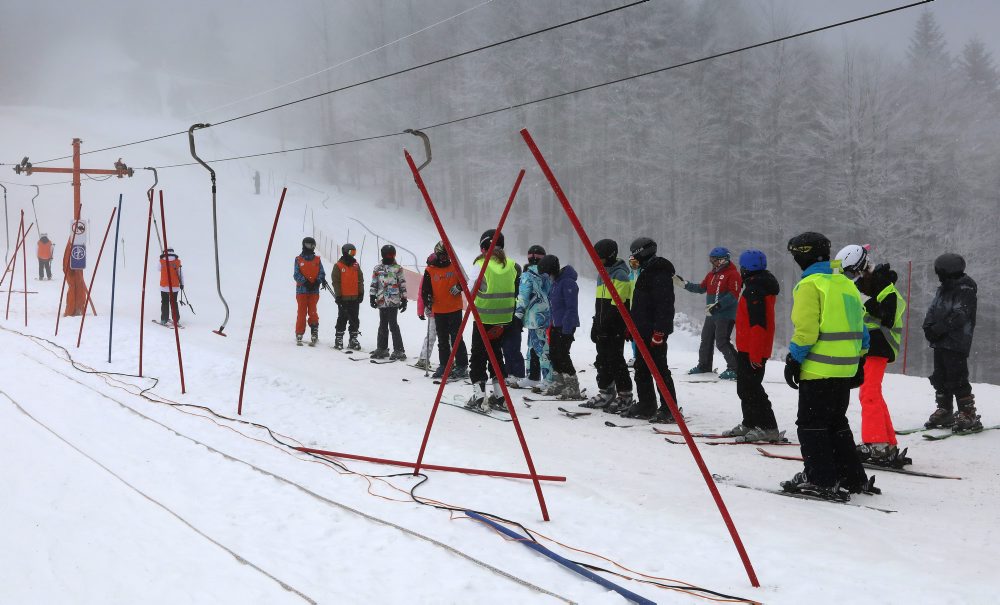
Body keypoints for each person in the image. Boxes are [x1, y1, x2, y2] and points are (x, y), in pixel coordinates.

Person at [781, 232, 874, 501]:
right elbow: (862, 329)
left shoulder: (810, 285)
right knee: (836, 423)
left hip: (818, 368)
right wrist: (860, 359)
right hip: (845, 368)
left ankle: (821, 479)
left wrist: (794, 360)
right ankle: (852, 477)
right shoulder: (845, 283)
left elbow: (806, 331)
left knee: (811, 425)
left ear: (803, 255)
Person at [856, 260, 912, 466]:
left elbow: (886, 316)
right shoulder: (875, 286)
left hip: (879, 345)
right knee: (873, 393)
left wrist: (864, 300)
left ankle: (877, 443)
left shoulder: (886, 289)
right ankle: (886, 442)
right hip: (873, 346)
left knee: (868, 393)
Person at [620, 237, 679, 423]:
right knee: (642, 368)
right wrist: (631, 326)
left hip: (654, 332)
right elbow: (640, 305)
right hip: (642, 330)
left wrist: (660, 332)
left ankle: (669, 409)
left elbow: (665, 306)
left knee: (659, 369)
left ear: (643, 253)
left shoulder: (659, 273)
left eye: (635, 255)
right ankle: (647, 405)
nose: (634, 259)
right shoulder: (646, 272)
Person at [725, 249, 781, 441]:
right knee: (744, 388)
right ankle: (750, 423)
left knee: (753, 389)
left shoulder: (755, 289)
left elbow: (758, 324)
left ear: (746, 268)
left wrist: (755, 354)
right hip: (747, 347)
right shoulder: (755, 285)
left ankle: (768, 427)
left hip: (754, 350)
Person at [923, 253, 981, 433]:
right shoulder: (943, 289)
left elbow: (960, 314)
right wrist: (928, 327)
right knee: (940, 376)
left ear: (948, 271)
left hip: (957, 340)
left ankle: (967, 413)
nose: (939, 276)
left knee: (957, 376)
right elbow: (933, 309)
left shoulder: (965, 289)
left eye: (940, 272)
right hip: (941, 341)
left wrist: (939, 328)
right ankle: (945, 409)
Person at [466, 230, 517, 412]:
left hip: (484, 317)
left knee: (478, 356)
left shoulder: (481, 264)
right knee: (495, 354)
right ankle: (501, 395)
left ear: (483, 247)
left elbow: (470, 290)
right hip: (504, 319)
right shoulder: (511, 265)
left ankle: (480, 397)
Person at [581, 239, 633, 410]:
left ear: (610, 256)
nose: (598, 261)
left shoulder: (620, 275)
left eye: (600, 258)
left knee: (616, 360)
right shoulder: (601, 275)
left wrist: (606, 326)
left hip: (615, 327)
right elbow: (600, 304)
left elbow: (618, 305)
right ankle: (606, 392)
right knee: (602, 360)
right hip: (603, 326)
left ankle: (625, 395)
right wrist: (596, 324)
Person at [674, 247, 741, 379]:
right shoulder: (712, 275)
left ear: (723, 260)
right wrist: (684, 284)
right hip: (711, 314)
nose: (712, 263)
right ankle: (704, 366)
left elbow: (733, 295)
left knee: (722, 341)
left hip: (725, 315)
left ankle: (736, 368)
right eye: (711, 260)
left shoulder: (733, 274)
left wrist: (718, 305)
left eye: (715, 260)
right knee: (706, 339)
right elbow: (700, 288)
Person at [421, 242, 468, 379]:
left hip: (454, 308)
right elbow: (425, 290)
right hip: (439, 309)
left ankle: (462, 365)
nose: (444, 259)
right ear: (437, 255)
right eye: (442, 256)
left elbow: (465, 282)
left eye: (447, 256)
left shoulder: (455, 266)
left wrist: (459, 287)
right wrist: (427, 302)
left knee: (456, 338)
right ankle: (444, 365)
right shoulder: (430, 270)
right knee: (442, 339)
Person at [537, 254, 581, 399]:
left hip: (566, 325)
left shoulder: (567, 282)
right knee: (554, 353)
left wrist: (567, 328)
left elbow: (571, 307)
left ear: (552, 270)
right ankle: (559, 382)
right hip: (556, 324)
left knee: (562, 354)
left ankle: (572, 385)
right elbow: (553, 306)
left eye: (547, 273)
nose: (547, 277)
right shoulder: (556, 282)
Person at [514, 244, 551, 389]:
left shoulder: (527, 275)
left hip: (533, 318)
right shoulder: (549, 275)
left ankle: (544, 378)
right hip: (547, 316)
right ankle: (536, 376)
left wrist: (518, 315)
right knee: (541, 346)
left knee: (536, 347)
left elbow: (523, 297)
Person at [369, 244, 407, 360]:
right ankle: (382, 348)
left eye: (392, 255)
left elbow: (402, 284)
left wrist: (404, 299)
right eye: (388, 255)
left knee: (393, 324)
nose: (390, 257)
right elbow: (374, 283)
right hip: (381, 300)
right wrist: (372, 296)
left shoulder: (397, 268)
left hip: (393, 300)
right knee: (383, 324)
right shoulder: (378, 268)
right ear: (383, 255)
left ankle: (399, 350)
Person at [331, 243, 363, 350]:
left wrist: (361, 293)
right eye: (351, 252)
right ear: (345, 252)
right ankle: (339, 338)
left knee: (354, 319)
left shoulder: (356, 266)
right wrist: (338, 295)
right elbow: (336, 282)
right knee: (342, 318)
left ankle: (353, 339)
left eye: (354, 252)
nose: (353, 255)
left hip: (354, 298)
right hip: (343, 298)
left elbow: (360, 280)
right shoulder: (338, 266)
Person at [293, 238, 325, 344]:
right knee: (301, 312)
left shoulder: (317, 260)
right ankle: (299, 332)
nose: (310, 247)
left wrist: (317, 281)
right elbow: (296, 274)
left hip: (314, 291)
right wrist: (305, 282)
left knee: (313, 312)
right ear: (304, 245)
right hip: (302, 290)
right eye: (308, 245)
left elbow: (322, 273)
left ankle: (314, 331)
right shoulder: (298, 259)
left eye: (312, 245)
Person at [415, 252, 438, 370]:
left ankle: (450, 360)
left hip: (443, 311)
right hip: (433, 311)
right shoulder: (427, 275)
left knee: (444, 336)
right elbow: (421, 293)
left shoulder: (444, 273)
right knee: (432, 336)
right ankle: (424, 358)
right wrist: (421, 310)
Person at [159, 247, 185, 326]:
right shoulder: (177, 262)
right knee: (174, 302)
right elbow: (180, 274)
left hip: (164, 286)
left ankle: (164, 319)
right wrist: (182, 284)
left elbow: (158, 269)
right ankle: (176, 320)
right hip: (175, 286)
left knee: (164, 302)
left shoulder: (161, 261)